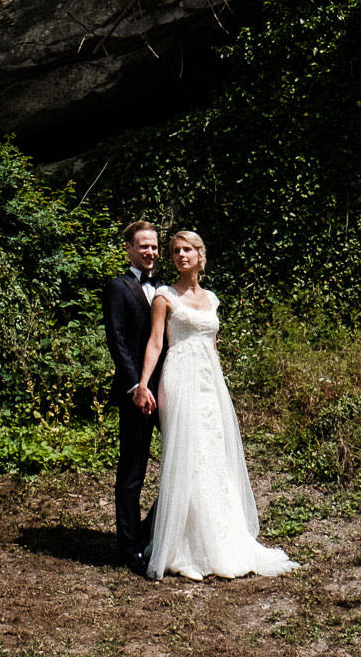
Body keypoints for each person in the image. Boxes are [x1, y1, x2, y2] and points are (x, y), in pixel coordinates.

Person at [135, 229, 295, 581]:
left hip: (210, 382)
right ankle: (182, 544)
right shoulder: (164, 297)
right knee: (187, 454)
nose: (180, 256)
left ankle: (219, 537)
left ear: (200, 255)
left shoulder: (212, 299)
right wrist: (143, 383)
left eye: (187, 250)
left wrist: (221, 386)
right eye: (175, 250)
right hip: (178, 378)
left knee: (213, 453)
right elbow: (155, 344)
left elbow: (213, 346)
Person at [101, 220, 163, 574]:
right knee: (133, 471)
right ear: (129, 249)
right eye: (143, 246)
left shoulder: (165, 289)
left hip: (168, 392)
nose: (150, 252)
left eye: (154, 246)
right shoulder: (118, 287)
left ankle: (150, 530)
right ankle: (128, 546)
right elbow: (118, 342)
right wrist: (135, 387)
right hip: (136, 395)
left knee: (181, 465)